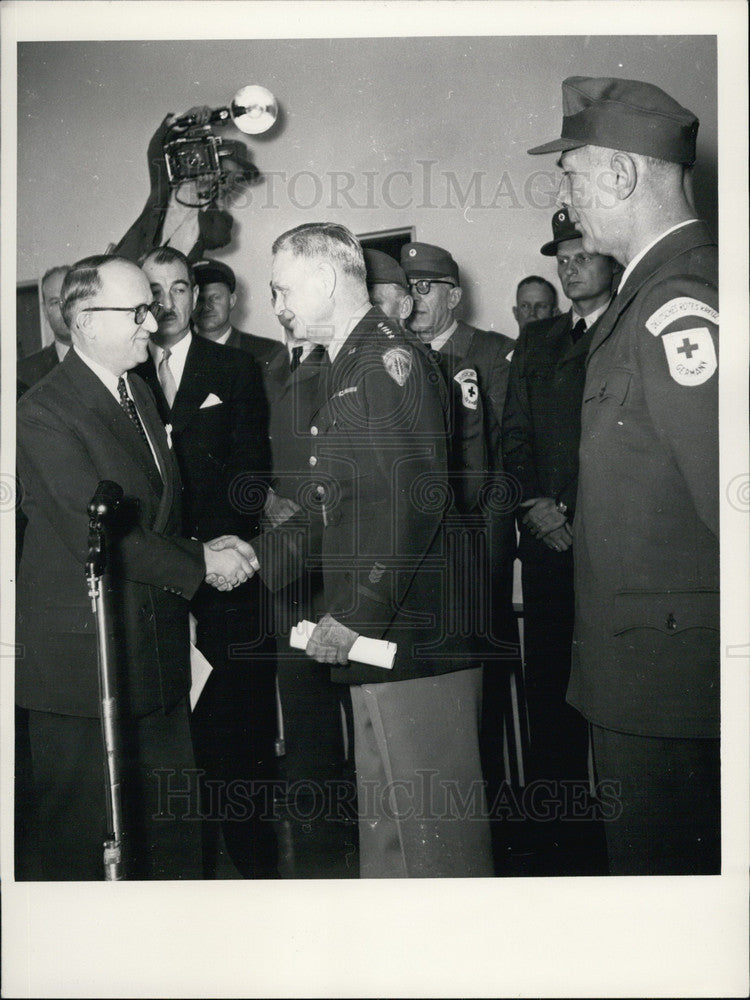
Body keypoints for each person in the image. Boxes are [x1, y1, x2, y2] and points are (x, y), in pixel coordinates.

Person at [223, 222, 493, 878]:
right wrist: (255, 558)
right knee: (393, 835)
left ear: (322, 279)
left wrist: (357, 613)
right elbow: (332, 496)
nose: (278, 305)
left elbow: (410, 501)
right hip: (387, 634)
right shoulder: (350, 361)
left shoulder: (383, 361)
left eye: (283, 289)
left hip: (410, 633)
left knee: (432, 842)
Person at [528, 75, 719, 874]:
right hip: (645, 680)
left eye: (569, 174)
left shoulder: (679, 303)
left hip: (674, 692)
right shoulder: (643, 300)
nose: (565, 200)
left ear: (620, 175)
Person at [16, 254, 256, 880]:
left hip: (156, 651)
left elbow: (161, 515)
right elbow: (100, 533)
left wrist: (202, 564)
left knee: (172, 834)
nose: (154, 322)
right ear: (86, 321)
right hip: (83, 666)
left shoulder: (138, 393)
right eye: (138, 311)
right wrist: (202, 563)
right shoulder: (42, 411)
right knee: (85, 842)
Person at [136, 246, 277, 878]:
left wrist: (218, 556)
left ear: (195, 296)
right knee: (170, 744)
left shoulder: (237, 368)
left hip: (227, 585)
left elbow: (252, 477)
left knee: (235, 738)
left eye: (178, 288)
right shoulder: (129, 379)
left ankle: (252, 874)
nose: (166, 303)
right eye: (154, 291)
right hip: (158, 586)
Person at [502, 205, 617, 872]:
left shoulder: (630, 328)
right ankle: (563, 852)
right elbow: (513, 438)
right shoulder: (539, 342)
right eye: (562, 257)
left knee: (621, 708)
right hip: (546, 553)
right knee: (550, 703)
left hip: (607, 548)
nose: (571, 265)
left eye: (583, 253)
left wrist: (568, 506)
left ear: (611, 260)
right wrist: (532, 507)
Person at [400, 241, 522, 840]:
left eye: (427, 288)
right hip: (419, 553)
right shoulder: (396, 357)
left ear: (454, 293)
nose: (416, 300)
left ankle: (494, 810)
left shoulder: (493, 353)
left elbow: (506, 453)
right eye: (410, 288)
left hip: (477, 544)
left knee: (483, 677)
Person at [191, 257, 286, 377]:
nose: (207, 306)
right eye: (200, 299)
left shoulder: (268, 353)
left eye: (215, 298)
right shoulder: (177, 354)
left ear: (231, 301)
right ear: (189, 303)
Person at [17, 266, 71, 395]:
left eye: (70, 299)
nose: (64, 309)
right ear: (45, 311)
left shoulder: (111, 358)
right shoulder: (23, 373)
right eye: (55, 302)